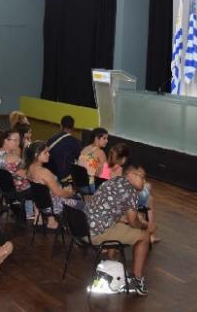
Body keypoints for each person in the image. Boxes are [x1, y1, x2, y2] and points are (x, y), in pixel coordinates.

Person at [84, 163, 153, 296]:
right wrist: (145, 225)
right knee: (144, 235)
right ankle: (137, 280)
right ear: (131, 175)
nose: (144, 181)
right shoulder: (130, 190)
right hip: (98, 233)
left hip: (85, 227)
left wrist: (128, 219)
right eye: (142, 177)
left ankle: (111, 260)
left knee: (122, 225)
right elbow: (133, 222)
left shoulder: (114, 181)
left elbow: (115, 211)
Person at [24, 141, 83, 229]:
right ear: (36, 154)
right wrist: (71, 192)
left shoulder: (29, 168)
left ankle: (55, 221)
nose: (48, 154)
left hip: (42, 205)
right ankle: (80, 229)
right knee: (82, 203)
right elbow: (59, 193)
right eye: (45, 152)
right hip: (54, 206)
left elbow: (43, 191)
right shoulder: (44, 172)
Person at [0, 129, 33, 219]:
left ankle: (29, 210)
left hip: (5, 189)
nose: (18, 143)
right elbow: (28, 174)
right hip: (20, 190)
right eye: (15, 140)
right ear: (5, 140)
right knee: (45, 184)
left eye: (18, 140)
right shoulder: (12, 158)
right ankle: (38, 214)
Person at [45, 115, 82, 180]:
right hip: (63, 176)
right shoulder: (76, 142)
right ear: (73, 127)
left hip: (48, 172)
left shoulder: (51, 138)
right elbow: (80, 158)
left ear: (61, 126)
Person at [78, 127, 109, 193]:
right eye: (104, 138)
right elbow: (105, 175)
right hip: (90, 187)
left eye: (107, 138)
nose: (107, 141)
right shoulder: (100, 153)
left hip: (78, 184)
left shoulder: (85, 148)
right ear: (96, 138)